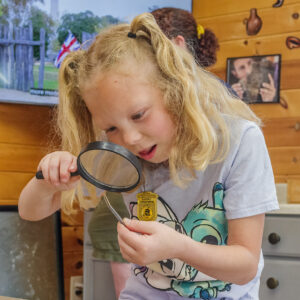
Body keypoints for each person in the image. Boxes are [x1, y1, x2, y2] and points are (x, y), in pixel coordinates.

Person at [19, 12, 279, 300]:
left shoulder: (239, 141)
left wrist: (177, 247)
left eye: (139, 115)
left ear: (175, 89)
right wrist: (46, 182)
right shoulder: (119, 154)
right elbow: (30, 211)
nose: (129, 138)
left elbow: (245, 265)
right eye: (111, 128)